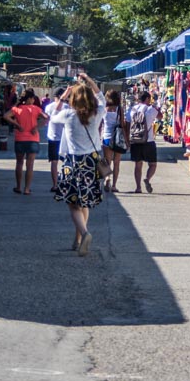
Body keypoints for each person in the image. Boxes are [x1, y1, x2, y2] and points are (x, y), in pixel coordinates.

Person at [50, 72, 107, 255]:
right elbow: (102, 99)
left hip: (73, 162)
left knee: (73, 204)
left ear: (73, 99)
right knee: (85, 203)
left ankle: (84, 233)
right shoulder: (96, 114)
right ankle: (78, 239)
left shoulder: (68, 115)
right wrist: (90, 80)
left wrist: (64, 95)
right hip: (91, 162)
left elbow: (52, 115)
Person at [8, 88, 46, 194]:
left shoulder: (17, 109)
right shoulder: (36, 109)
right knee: (30, 165)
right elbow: (46, 118)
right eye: (33, 98)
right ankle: (27, 189)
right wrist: (36, 127)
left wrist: (17, 125)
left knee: (19, 163)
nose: (33, 100)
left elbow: (6, 116)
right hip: (33, 140)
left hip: (20, 139)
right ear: (29, 99)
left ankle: (18, 187)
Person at [126, 88, 160, 192]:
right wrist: (154, 108)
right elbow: (160, 117)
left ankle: (138, 187)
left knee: (138, 165)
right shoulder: (150, 109)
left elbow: (127, 125)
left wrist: (128, 140)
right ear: (147, 99)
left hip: (135, 140)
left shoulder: (131, 110)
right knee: (153, 164)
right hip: (148, 140)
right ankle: (147, 178)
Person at [43, 87, 69, 191]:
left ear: (55, 97)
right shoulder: (67, 107)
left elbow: (46, 122)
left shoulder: (48, 107)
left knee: (54, 162)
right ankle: (65, 184)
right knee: (66, 162)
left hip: (52, 137)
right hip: (64, 139)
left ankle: (55, 185)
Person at [101, 90, 126, 192]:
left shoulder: (104, 109)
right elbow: (123, 125)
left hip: (106, 137)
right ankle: (114, 186)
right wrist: (127, 140)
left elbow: (100, 124)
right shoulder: (119, 109)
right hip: (118, 138)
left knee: (106, 162)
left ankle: (107, 178)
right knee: (117, 163)